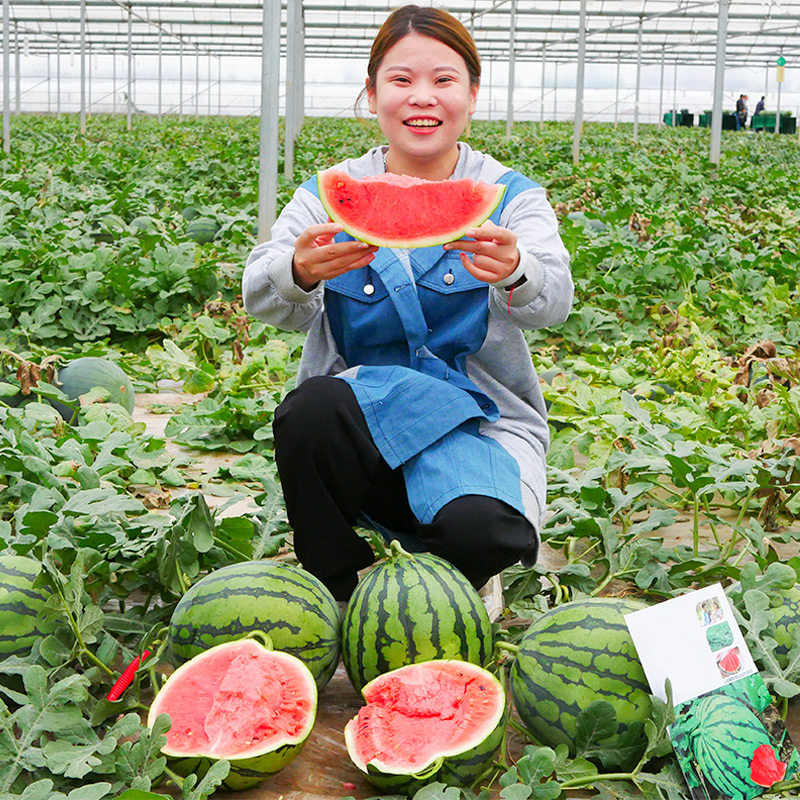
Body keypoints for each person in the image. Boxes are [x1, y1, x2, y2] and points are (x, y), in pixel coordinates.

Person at [242, 4, 573, 601]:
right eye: (401, 80)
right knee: (309, 410)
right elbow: (263, 296)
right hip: (363, 419)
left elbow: (553, 302)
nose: (423, 97)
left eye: (444, 80)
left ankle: (452, 566)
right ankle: (332, 588)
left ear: (472, 95)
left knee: (487, 534)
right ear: (372, 95)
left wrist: (518, 271)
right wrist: (298, 271)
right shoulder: (325, 194)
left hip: (479, 426)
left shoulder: (511, 197)